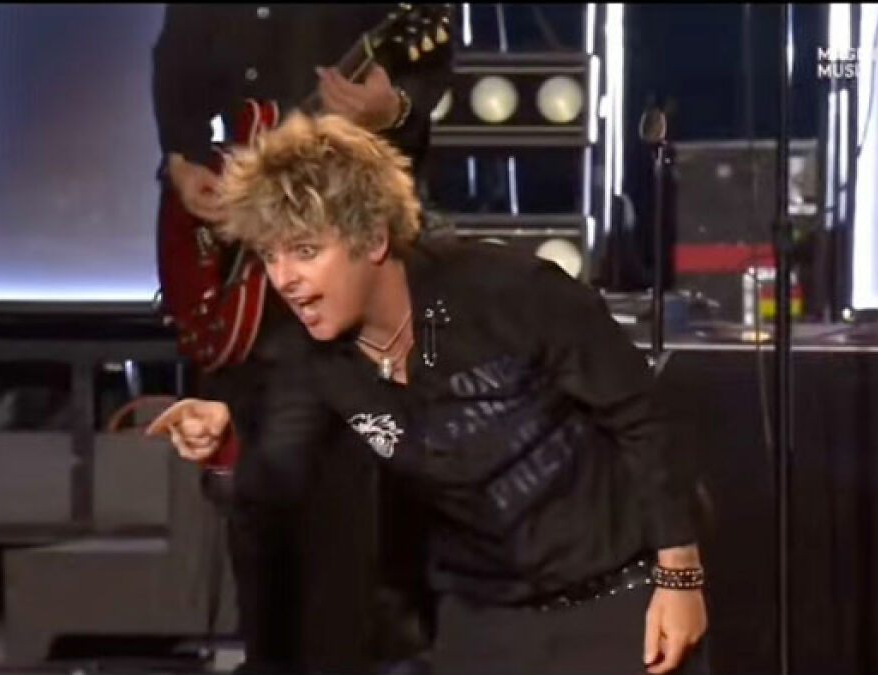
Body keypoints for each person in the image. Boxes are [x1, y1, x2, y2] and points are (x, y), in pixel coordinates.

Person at [147, 112, 710, 675]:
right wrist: (223, 431)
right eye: (270, 256)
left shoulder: (510, 292)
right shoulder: (311, 358)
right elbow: (274, 456)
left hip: (620, 603)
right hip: (482, 625)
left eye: (304, 250)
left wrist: (679, 576)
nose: (284, 278)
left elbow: (645, 420)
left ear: (371, 238)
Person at [150, 6, 452, 674]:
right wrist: (179, 158)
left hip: (341, 251)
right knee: (254, 503)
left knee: (338, 499)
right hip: (237, 273)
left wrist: (391, 107)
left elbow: (426, 73)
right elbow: (172, 64)